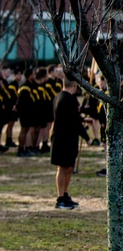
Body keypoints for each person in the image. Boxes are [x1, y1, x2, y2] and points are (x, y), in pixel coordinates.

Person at [50, 78, 87, 209]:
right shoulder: (67, 99)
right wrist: (87, 137)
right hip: (63, 138)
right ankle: (60, 198)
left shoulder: (59, 97)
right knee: (62, 168)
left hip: (68, 138)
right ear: (75, 85)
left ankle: (65, 194)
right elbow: (74, 121)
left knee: (69, 167)